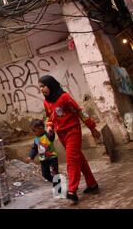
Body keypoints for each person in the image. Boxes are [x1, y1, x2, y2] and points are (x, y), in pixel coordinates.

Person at [39, 75, 101, 204]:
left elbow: (80, 112)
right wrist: (49, 128)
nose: (41, 89)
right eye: (40, 87)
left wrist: (92, 128)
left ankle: (72, 190)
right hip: (61, 135)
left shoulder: (65, 97)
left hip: (73, 131)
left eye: (43, 86)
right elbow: (50, 117)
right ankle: (92, 183)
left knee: (71, 160)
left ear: (51, 85)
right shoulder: (46, 101)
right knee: (78, 158)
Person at [26, 119, 59, 187]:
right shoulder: (36, 139)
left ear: (41, 128)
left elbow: (52, 135)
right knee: (45, 174)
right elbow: (35, 149)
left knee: (54, 173)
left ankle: (58, 186)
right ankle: (56, 182)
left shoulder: (48, 135)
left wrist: (50, 128)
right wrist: (30, 156)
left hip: (52, 158)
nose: (34, 132)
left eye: (35, 130)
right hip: (43, 160)